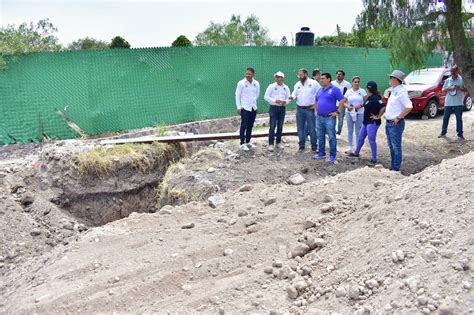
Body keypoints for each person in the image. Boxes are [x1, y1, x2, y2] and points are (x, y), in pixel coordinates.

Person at [350, 81, 385, 164]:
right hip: (366, 122)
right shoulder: (370, 97)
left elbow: (383, 108)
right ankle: (356, 153)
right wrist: (360, 106)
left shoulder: (377, 98)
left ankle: (374, 158)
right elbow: (366, 104)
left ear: (369, 89)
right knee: (360, 138)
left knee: (371, 140)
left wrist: (378, 116)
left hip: (372, 122)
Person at [384, 70, 413, 172]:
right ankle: (393, 166)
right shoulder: (394, 90)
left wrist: (399, 117)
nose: (389, 79)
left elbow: (409, 106)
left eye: (391, 78)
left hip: (395, 123)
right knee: (391, 145)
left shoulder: (401, 91)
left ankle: (396, 168)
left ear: (396, 79)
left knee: (396, 146)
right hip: (389, 122)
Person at [313, 72, 345, 163]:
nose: (321, 80)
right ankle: (321, 153)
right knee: (320, 136)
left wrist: (337, 112)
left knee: (331, 137)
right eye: (321, 78)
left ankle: (332, 156)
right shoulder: (320, 90)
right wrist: (315, 110)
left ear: (329, 79)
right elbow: (316, 100)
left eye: (323, 78)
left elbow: (342, 100)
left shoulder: (335, 89)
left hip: (329, 118)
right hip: (319, 117)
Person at [289, 68, 320, 152]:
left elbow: (320, 93)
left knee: (312, 128)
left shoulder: (314, 83)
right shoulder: (297, 84)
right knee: (300, 128)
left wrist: (316, 104)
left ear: (306, 74)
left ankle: (314, 146)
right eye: (299, 75)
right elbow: (294, 93)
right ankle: (301, 145)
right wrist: (292, 96)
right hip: (299, 109)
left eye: (301, 74)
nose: (299, 76)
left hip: (310, 109)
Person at [264, 71, 292, 151]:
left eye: (280, 77)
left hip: (282, 108)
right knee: (272, 126)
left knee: (280, 126)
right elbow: (266, 97)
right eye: (277, 77)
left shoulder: (286, 87)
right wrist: (275, 101)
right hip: (273, 108)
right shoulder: (271, 86)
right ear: (275, 78)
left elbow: (288, 98)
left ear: (283, 78)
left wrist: (285, 102)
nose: (279, 78)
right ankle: (270, 144)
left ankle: (278, 142)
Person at [438, 65, 466, 141]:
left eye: (454, 71)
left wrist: (460, 88)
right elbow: (443, 90)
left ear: (457, 71)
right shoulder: (448, 80)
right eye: (451, 71)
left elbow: (466, 90)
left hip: (458, 103)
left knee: (459, 119)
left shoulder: (461, 80)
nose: (452, 73)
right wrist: (449, 88)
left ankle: (460, 134)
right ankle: (443, 132)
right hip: (448, 103)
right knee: (445, 118)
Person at [235, 67, 260, 151]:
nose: (247, 75)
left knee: (250, 125)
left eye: (249, 74)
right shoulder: (241, 83)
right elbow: (237, 95)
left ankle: (248, 142)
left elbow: (257, 94)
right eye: (246, 73)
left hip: (253, 107)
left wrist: (253, 102)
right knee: (244, 125)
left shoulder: (256, 83)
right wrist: (239, 106)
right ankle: (242, 143)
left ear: (253, 74)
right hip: (245, 108)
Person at [343, 76, 367, 153]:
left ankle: (358, 146)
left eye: (358, 82)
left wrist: (360, 106)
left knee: (358, 130)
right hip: (349, 112)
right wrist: (348, 106)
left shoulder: (362, 91)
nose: (356, 83)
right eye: (355, 82)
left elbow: (366, 101)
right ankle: (349, 146)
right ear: (352, 82)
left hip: (359, 113)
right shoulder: (348, 91)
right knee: (350, 130)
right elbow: (343, 102)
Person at [332, 70, 351, 138]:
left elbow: (349, 94)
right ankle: (332, 131)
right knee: (332, 118)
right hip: (333, 104)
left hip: (342, 104)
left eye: (340, 74)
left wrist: (347, 104)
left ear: (343, 76)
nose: (338, 75)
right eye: (337, 74)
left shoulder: (347, 84)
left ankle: (338, 132)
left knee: (340, 119)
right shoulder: (332, 83)